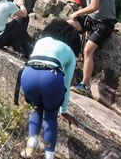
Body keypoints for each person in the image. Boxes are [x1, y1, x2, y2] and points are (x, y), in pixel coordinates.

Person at [19, 19, 80, 159]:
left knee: (36, 107)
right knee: (51, 117)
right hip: (51, 79)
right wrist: (64, 111)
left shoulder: (41, 41)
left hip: (28, 75)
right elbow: (66, 84)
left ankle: (31, 145)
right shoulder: (70, 52)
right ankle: (49, 156)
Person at [67, 0, 117, 97]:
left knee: (88, 51)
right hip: (94, 19)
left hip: (105, 23)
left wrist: (78, 12)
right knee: (69, 25)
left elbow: (94, 6)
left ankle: (85, 85)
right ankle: (71, 54)